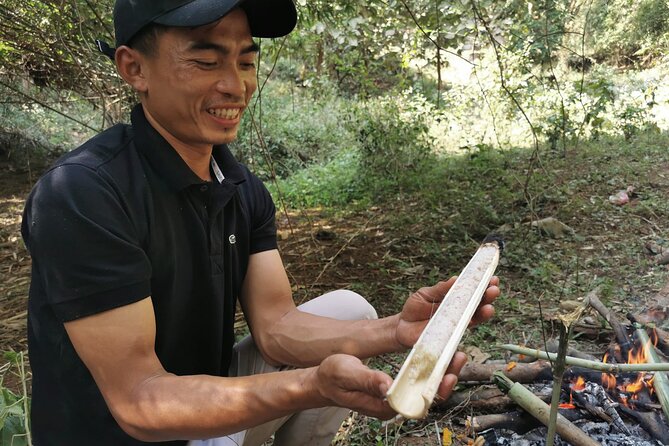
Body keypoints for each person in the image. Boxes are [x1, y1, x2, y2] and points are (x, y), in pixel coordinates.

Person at [21, 0, 501, 445]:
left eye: (246, 62)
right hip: (134, 427)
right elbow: (140, 400)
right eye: (206, 62)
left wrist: (398, 332)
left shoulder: (237, 184)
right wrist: (311, 385)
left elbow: (277, 325)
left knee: (352, 311)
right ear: (135, 68)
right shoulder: (84, 194)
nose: (236, 85)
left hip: (201, 408)